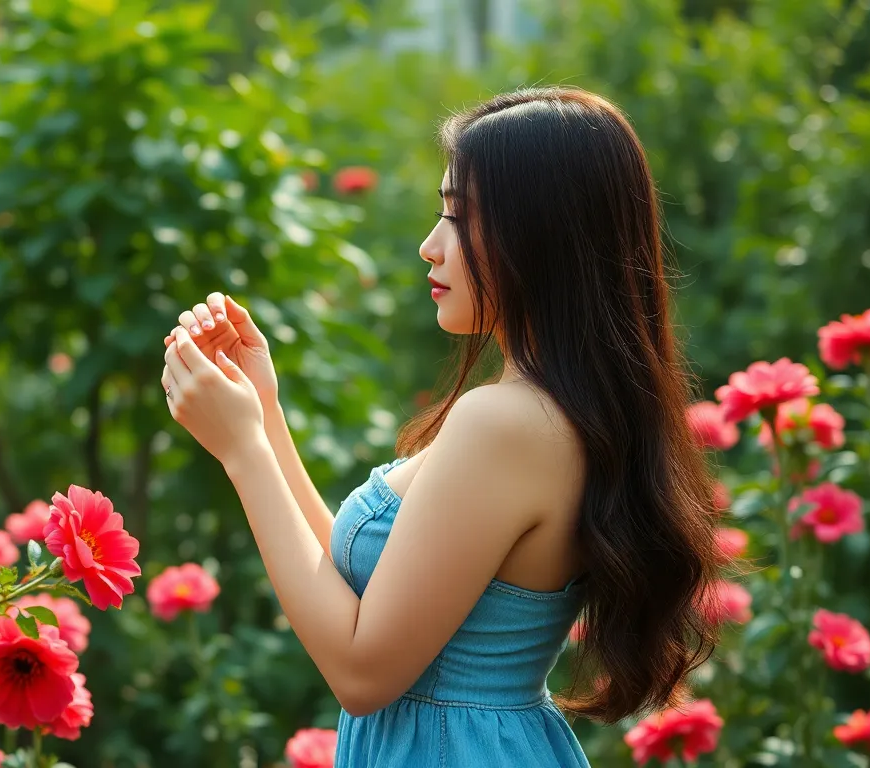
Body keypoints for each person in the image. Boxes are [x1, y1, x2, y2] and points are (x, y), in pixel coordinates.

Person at [159, 86, 721, 767]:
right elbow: (361, 593)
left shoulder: (508, 422)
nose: (430, 247)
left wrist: (243, 449)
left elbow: (363, 674)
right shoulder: (545, 410)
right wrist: (265, 413)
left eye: (458, 218)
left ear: (539, 233)